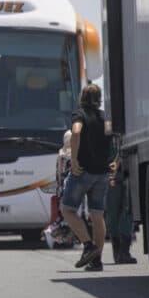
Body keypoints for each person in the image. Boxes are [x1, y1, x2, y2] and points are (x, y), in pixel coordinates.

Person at [60, 84, 114, 271]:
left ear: (82, 97)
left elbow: (75, 131)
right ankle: (96, 260)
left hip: (83, 171)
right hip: (103, 172)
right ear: (99, 98)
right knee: (97, 215)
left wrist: (74, 159)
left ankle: (88, 245)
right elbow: (113, 137)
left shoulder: (80, 114)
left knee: (67, 210)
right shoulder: (105, 117)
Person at [105, 155, 137, 265]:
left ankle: (124, 252)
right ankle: (118, 252)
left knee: (127, 212)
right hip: (111, 174)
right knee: (113, 214)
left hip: (127, 171)